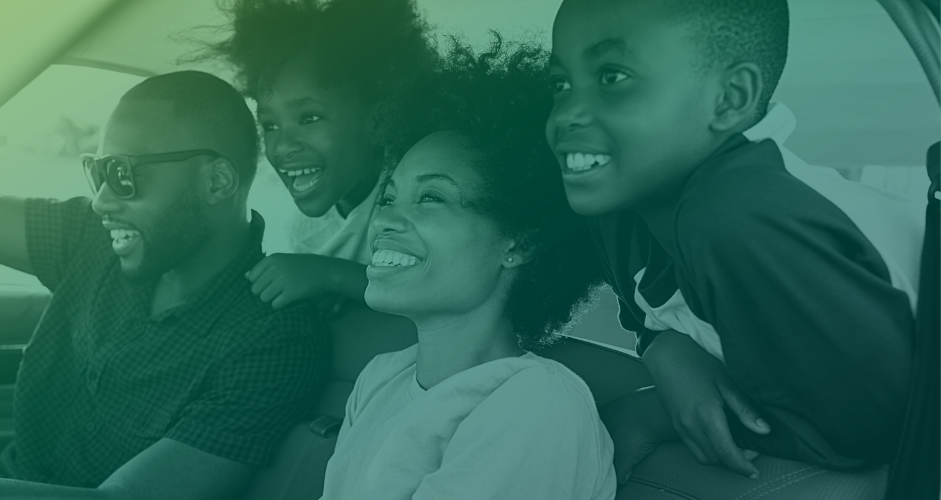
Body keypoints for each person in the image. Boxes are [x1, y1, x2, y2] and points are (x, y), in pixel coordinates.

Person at [545, 0, 923, 483]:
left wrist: (648, 414)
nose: (567, 114)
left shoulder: (737, 218)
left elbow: (869, 430)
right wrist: (664, 348)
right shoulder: (620, 205)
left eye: (613, 77)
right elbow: (649, 315)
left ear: (729, 98)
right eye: (559, 84)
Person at [0, 71, 328, 499]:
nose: (102, 200)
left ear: (217, 182)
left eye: (123, 174)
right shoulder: (93, 239)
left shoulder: (274, 339)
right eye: (97, 171)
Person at [319, 37, 615, 500]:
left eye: (432, 197)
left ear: (520, 241)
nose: (385, 220)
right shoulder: (381, 378)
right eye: (389, 196)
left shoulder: (535, 404)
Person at [203, 0, 436, 310]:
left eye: (309, 118)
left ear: (378, 117)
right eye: (270, 124)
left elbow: (433, 289)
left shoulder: (418, 199)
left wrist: (331, 275)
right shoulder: (303, 230)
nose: (282, 146)